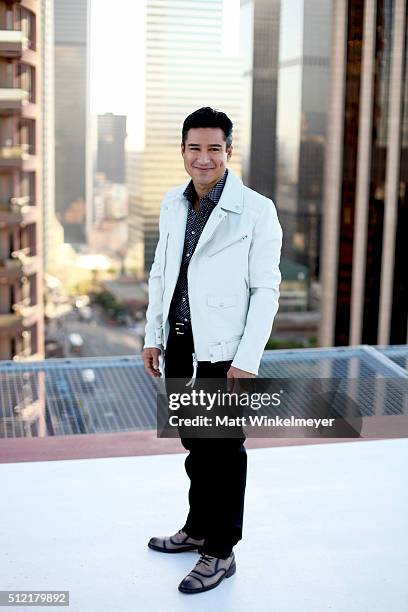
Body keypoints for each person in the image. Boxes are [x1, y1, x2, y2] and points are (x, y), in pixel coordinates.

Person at [143, 106, 282, 594]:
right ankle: (198, 528)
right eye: (195, 148)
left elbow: (266, 291)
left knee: (224, 454)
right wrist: (152, 335)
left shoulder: (256, 209)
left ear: (228, 152)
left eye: (214, 149)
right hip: (181, 346)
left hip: (224, 354)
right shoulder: (171, 203)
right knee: (195, 449)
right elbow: (162, 274)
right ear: (182, 150)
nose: (204, 158)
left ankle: (220, 552)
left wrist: (248, 359)